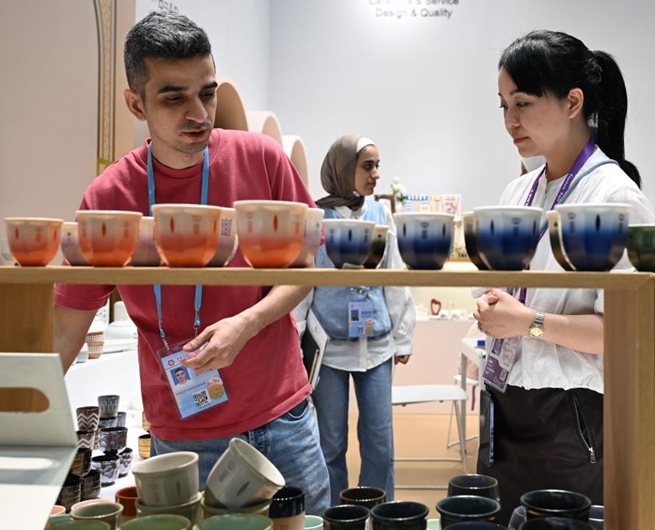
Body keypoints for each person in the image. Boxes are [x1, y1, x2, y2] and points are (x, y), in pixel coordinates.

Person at [52, 11, 330, 514]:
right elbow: (65, 333)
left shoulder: (262, 160)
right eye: (174, 97)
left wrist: (247, 323)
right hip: (180, 437)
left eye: (207, 92)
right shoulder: (109, 197)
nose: (199, 113)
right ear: (136, 104)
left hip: (283, 418)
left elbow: (305, 267)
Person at [471, 30, 655, 523]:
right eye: (503, 105)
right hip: (505, 402)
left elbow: (625, 333)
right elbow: (504, 284)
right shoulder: (520, 190)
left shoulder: (615, 197)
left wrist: (526, 322)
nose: (510, 120)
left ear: (573, 102)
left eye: (524, 103)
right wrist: (492, 306)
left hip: (573, 416)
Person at [292, 134, 416, 504]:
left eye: (378, 165)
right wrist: (295, 339)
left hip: (376, 347)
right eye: (367, 165)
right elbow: (302, 283)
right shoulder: (316, 217)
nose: (376, 174)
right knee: (330, 442)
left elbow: (394, 279)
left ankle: (380, 516)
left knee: (379, 441)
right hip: (328, 349)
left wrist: (403, 336)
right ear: (344, 169)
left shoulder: (381, 215)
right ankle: (336, 517)